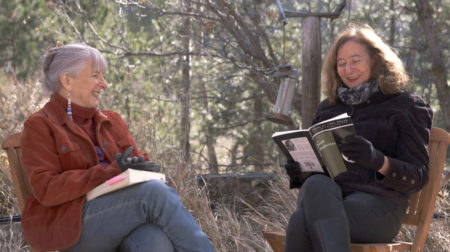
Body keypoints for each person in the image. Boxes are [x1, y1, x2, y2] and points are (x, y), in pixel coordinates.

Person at [20, 43, 215, 252]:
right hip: (69, 227)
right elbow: (47, 189)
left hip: (118, 220)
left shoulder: (112, 120)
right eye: (96, 76)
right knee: (153, 194)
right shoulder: (40, 125)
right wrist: (107, 172)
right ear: (67, 80)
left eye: (103, 76)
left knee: (154, 239)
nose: (104, 84)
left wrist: (141, 166)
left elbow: (135, 164)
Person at [283, 24, 433, 252]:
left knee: (299, 223)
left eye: (355, 60)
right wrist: (301, 169)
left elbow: (418, 177)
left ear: (376, 60)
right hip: (328, 199)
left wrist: (377, 160)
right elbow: (319, 174)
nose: (348, 69)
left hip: (379, 208)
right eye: (341, 63)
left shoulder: (405, 106)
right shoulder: (329, 108)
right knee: (314, 183)